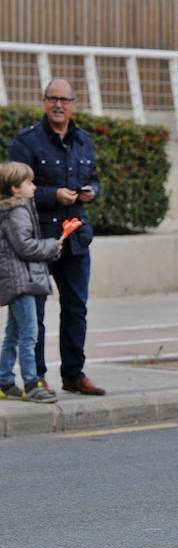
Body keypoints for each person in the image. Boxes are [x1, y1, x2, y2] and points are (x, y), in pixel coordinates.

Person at [9, 79, 105, 396]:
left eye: (65, 99)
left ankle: (74, 374)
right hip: (39, 241)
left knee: (76, 309)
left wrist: (91, 191)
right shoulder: (27, 142)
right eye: (53, 98)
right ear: (44, 102)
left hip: (75, 239)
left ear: (74, 103)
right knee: (34, 313)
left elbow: (92, 177)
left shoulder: (83, 141)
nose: (59, 105)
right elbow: (12, 188)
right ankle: (36, 377)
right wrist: (53, 196)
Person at [0, 162, 63, 403]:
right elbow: (25, 246)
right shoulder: (17, 212)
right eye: (29, 183)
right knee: (29, 334)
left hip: (21, 279)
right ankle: (31, 383)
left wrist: (50, 249)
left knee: (14, 333)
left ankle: (4, 381)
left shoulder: (19, 208)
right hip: (21, 282)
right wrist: (50, 245)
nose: (34, 186)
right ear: (15, 188)